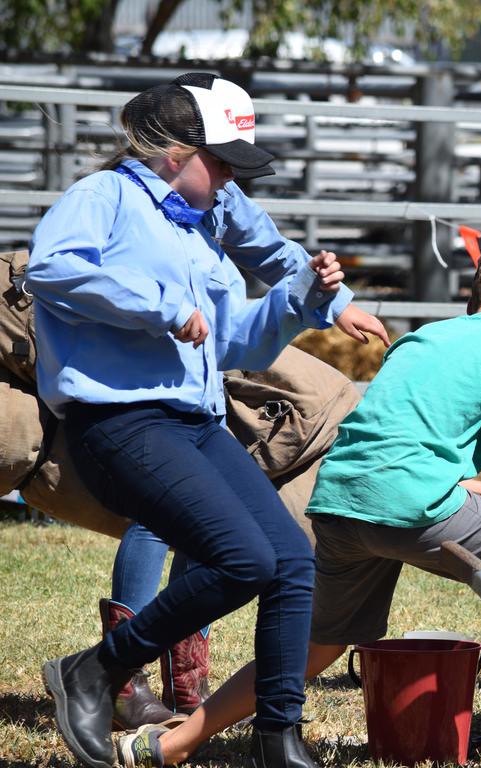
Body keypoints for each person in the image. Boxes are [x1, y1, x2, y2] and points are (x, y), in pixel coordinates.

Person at [115, 240, 481, 768]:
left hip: (341, 502)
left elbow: (389, 452)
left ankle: (170, 743)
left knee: (316, 647)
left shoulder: (422, 339)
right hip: (412, 505)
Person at [29, 77, 339, 768]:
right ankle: (95, 669)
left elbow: (232, 343)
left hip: (195, 421)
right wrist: (161, 304)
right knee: (245, 560)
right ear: (174, 153)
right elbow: (50, 269)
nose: (231, 180)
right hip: (120, 421)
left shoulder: (199, 235)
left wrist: (303, 298)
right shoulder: (103, 197)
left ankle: (277, 737)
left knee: (292, 563)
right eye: (222, 163)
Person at [98, 72, 390, 732]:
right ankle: (122, 675)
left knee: (212, 514)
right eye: (220, 158)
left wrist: (335, 301)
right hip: (139, 380)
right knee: (162, 511)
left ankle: (179, 676)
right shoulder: (126, 201)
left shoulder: (215, 193)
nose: (228, 176)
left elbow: (270, 247)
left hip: (200, 372)